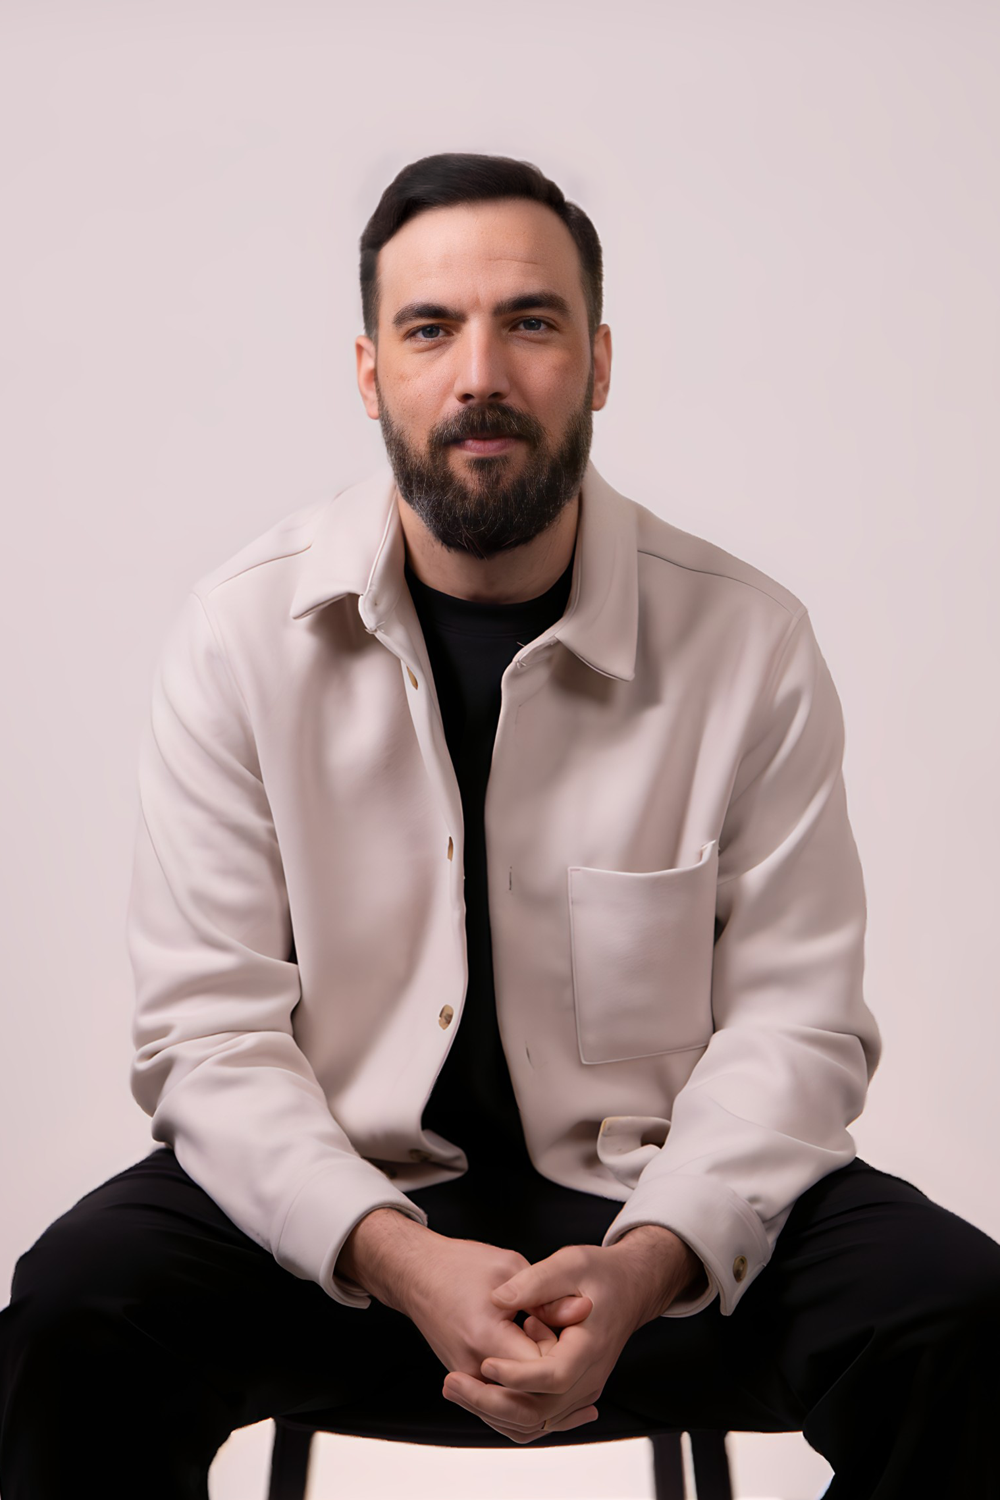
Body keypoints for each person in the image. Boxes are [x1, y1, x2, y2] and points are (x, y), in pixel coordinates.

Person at [1, 152, 998, 1500]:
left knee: (961, 1322)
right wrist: (396, 1255)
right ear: (370, 373)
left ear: (596, 362)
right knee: (75, 1311)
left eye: (529, 323)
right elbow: (206, 1036)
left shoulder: (747, 642)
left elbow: (796, 1028)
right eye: (431, 328)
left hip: (658, 1228)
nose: (481, 371)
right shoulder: (241, 639)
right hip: (338, 1231)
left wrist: (646, 1267)